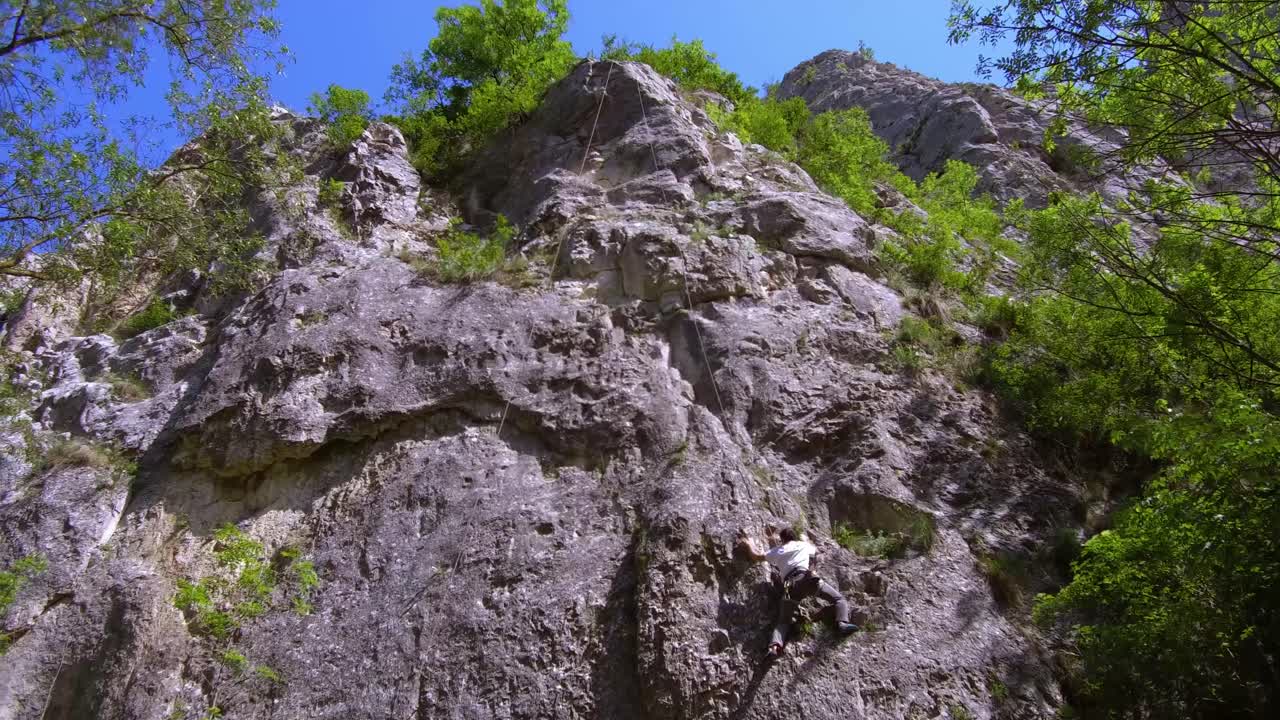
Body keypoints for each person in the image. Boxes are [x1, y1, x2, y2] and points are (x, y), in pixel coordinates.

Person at [738, 525, 857, 660]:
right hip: (807, 579)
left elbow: (756, 557)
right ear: (794, 537)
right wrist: (812, 568)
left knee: (783, 622)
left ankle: (774, 647)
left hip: (790, 587)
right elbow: (816, 554)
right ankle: (842, 624)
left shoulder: (778, 551)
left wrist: (749, 544)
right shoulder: (803, 545)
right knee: (839, 599)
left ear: (782, 540)